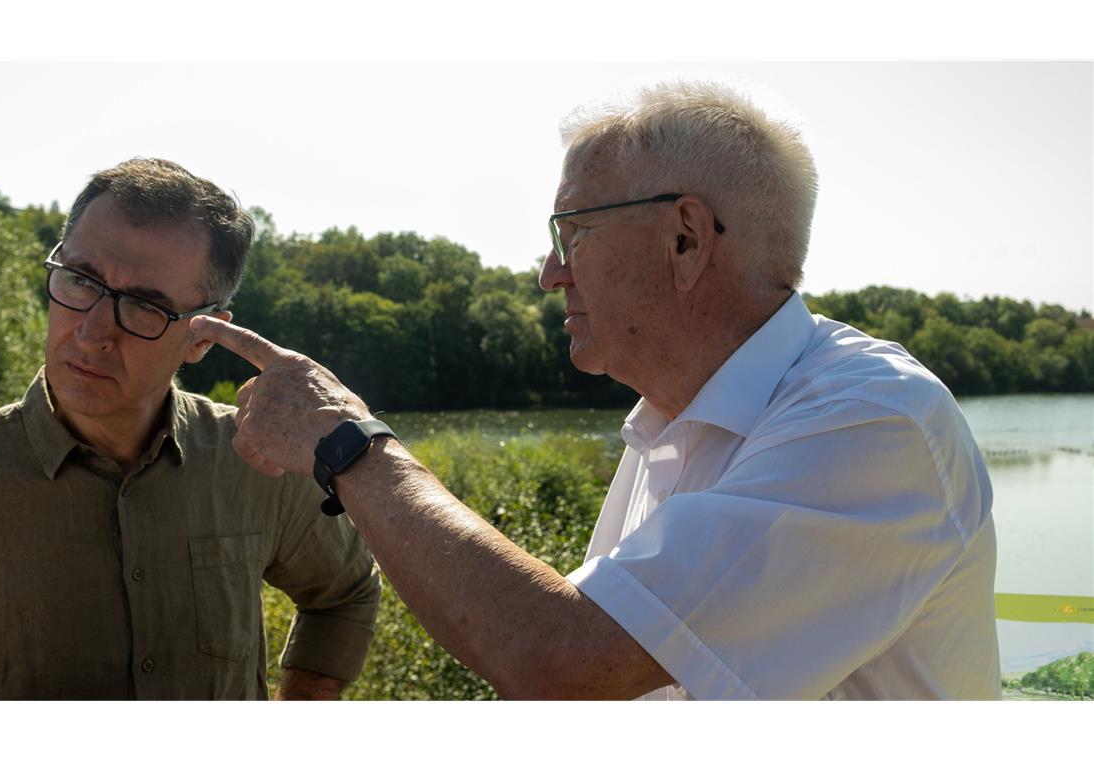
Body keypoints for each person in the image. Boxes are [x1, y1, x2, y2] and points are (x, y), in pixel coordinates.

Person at [189, 81, 1001, 700]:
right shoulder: (669, 426)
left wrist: (347, 442)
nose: (549, 274)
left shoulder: (874, 422)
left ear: (685, 238)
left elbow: (559, 659)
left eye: (570, 232)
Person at [0, 158, 381, 700]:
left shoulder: (256, 462)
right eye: (80, 281)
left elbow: (344, 592)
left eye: (144, 306)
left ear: (204, 337)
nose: (92, 334)